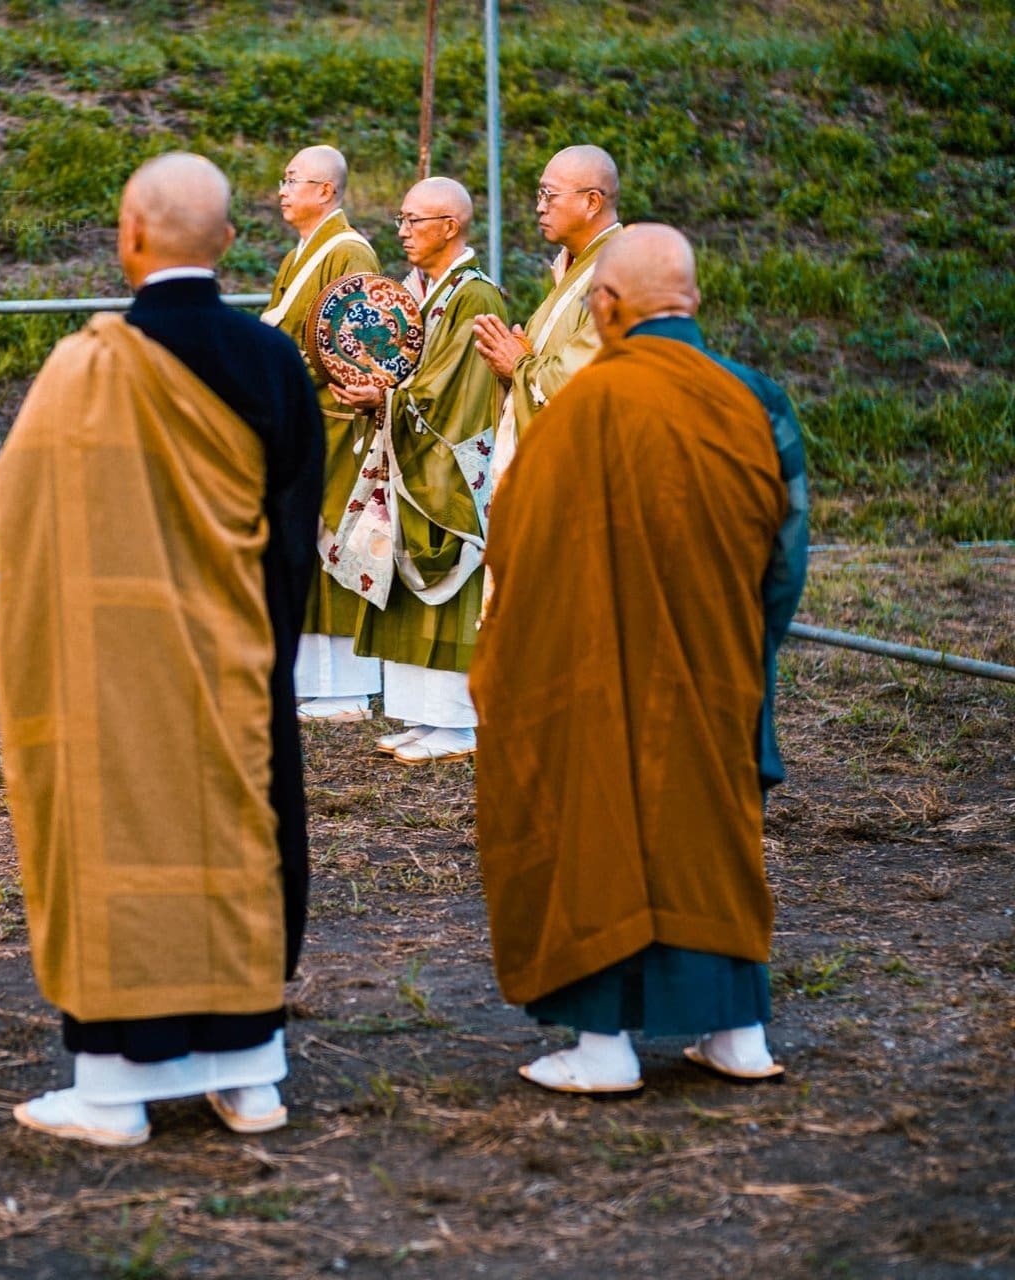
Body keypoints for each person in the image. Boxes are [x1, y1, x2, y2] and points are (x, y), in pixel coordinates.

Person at [0, 153, 323, 1145]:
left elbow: (22, 510)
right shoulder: (271, 360)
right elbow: (296, 521)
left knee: (114, 839)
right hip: (239, 662)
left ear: (127, 237)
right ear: (225, 242)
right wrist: (266, 640)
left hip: (112, 674)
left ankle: (110, 1091)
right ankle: (250, 1075)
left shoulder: (85, 369)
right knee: (243, 834)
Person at [469, 224, 809, 1094]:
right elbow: (787, 553)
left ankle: (602, 1046)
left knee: (598, 821)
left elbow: (517, 541)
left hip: (594, 664)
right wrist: (746, 652)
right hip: (717, 658)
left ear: (605, 306)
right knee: (714, 829)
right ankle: (739, 1033)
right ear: (691, 299)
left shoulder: (582, 406)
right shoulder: (753, 397)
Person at [330, 177, 505, 764]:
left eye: (414, 220)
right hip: (407, 452)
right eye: (401, 219)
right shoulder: (416, 292)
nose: (401, 230)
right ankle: (422, 716)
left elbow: (454, 388)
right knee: (403, 583)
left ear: (450, 226)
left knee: (446, 581)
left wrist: (384, 400)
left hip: (444, 464)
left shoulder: (475, 297)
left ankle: (455, 724)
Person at [264, 145, 384, 724]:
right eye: (284, 179)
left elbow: (357, 340)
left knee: (334, 533)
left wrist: (284, 370)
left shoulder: (351, 250)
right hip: (302, 414)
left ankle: (347, 687)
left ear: (327, 192)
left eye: (294, 180)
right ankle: (313, 678)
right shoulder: (300, 256)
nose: (282, 190)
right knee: (299, 538)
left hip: (337, 415)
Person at [472, 144, 623, 478]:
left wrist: (519, 366)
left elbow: (582, 383)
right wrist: (511, 362)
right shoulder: (576, 269)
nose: (540, 207)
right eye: (539, 195)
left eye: (549, 196)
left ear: (592, 202)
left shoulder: (619, 271)